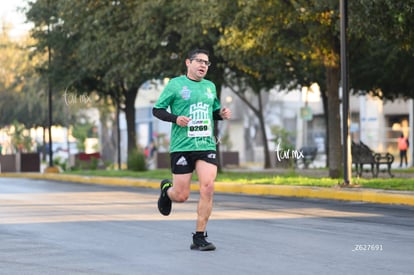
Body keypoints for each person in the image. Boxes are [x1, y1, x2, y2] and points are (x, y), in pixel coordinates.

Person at [152, 49, 231, 251]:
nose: (203, 65)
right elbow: (158, 109)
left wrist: (221, 114)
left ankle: (199, 236)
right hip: (182, 146)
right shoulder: (175, 84)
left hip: (206, 144)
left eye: (207, 62)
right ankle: (166, 192)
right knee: (182, 195)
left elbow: (212, 111)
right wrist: (175, 119)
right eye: (199, 61)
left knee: (208, 186)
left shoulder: (210, 87)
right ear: (188, 62)